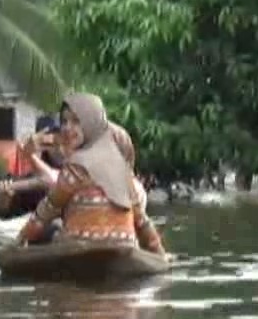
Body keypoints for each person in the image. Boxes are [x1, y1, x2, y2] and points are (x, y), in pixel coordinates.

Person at [16, 92, 166, 256]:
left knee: (50, 227)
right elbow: (142, 221)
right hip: (123, 244)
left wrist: (19, 241)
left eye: (76, 121)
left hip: (80, 245)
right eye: (64, 121)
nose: (67, 127)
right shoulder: (121, 172)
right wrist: (159, 254)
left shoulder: (75, 170)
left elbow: (45, 212)